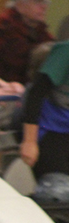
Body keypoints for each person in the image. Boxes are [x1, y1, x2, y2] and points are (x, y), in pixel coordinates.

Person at [19, 41, 69, 179]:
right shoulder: (65, 52)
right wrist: (30, 141)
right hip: (52, 131)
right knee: (57, 191)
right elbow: (35, 94)